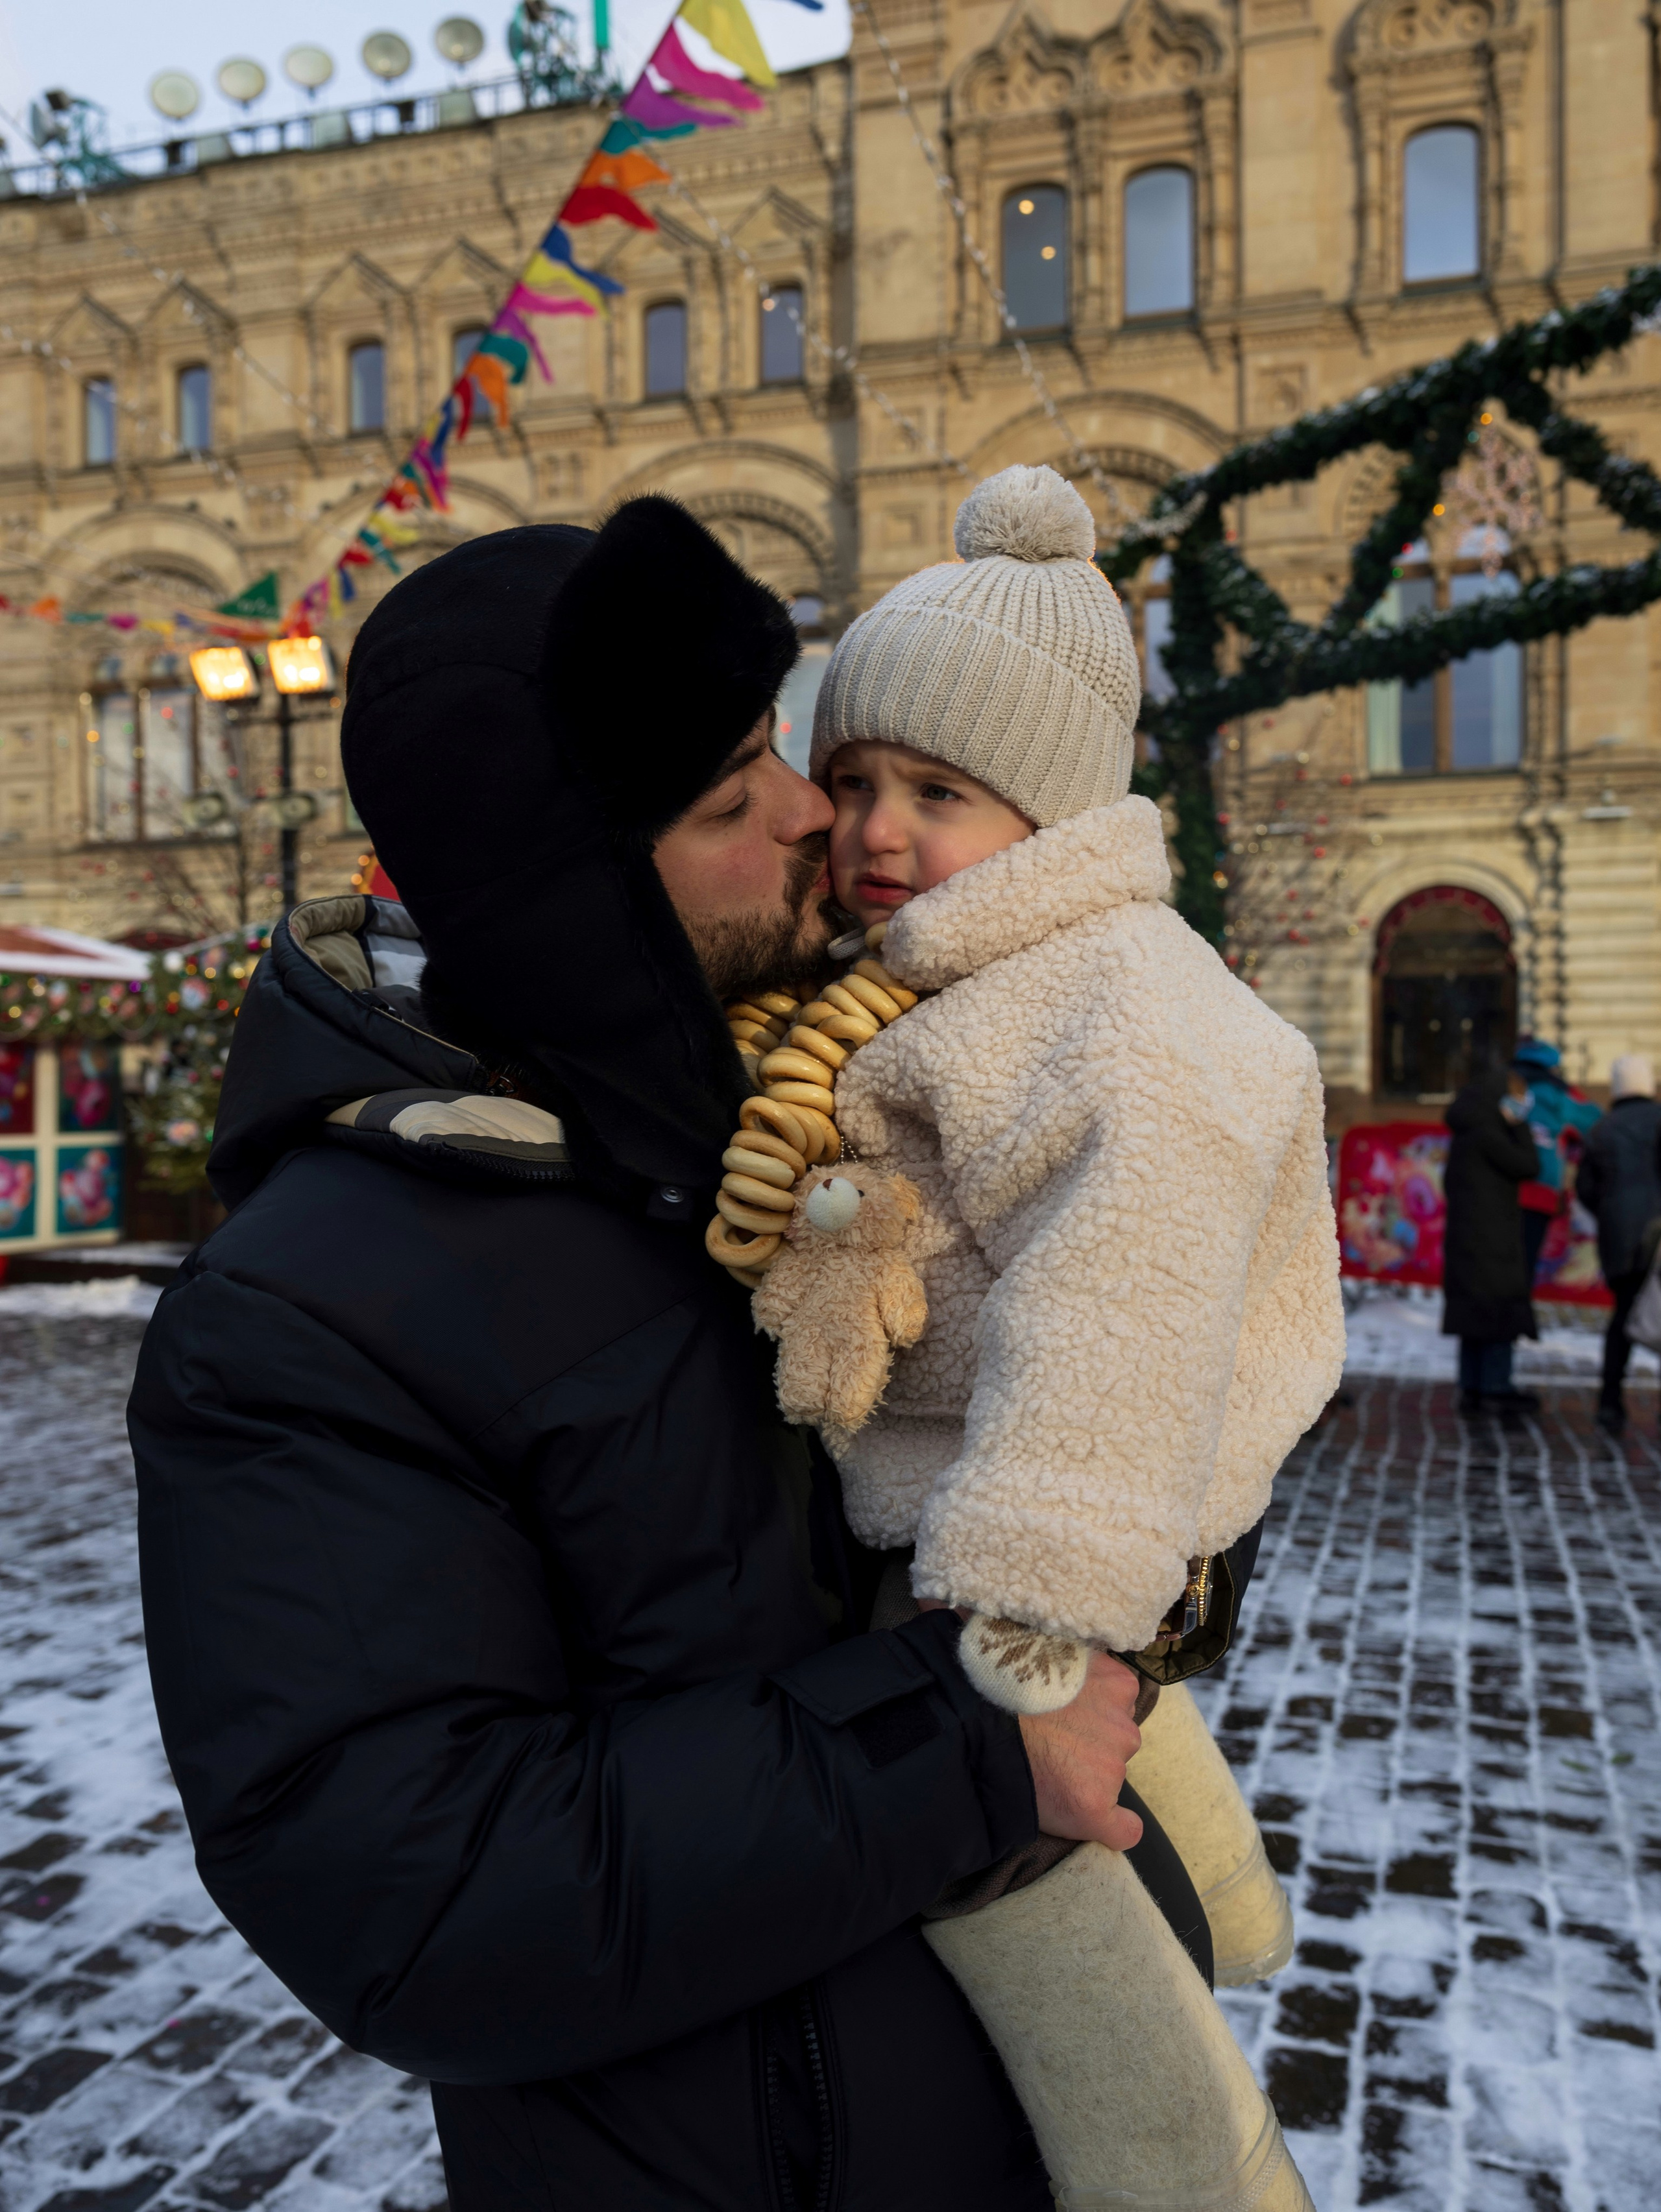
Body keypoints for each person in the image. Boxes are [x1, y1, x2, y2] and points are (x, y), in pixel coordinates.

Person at [128, 500, 1165, 2212]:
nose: (811, 808)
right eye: (721, 798)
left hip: (1006, 2126)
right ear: (572, 911)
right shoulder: (309, 1317)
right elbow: (412, 1891)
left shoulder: (806, 1123)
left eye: (772, 742)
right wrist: (967, 1749)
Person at [729, 466, 1342, 2209]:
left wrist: (1025, 1610)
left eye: (938, 787)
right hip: (1006, 1487)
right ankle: (1226, 1891)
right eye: (850, 781)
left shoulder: (1113, 1002)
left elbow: (1121, 1298)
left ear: (1056, 806)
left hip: (1044, 1516)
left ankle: (1190, 2168)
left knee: (1007, 1870)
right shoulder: (969, 978)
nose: (873, 826)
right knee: (1123, 1740)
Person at [1442, 1064, 1541, 1414]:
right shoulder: (1490, 1134)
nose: (1521, 1106)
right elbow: (1528, 1165)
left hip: (1470, 1239)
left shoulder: (1468, 1131)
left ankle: (1472, 1385)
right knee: (1499, 1312)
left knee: (1474, 1314)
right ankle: (1496, 1385)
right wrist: (1522, 1127)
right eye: (1517, 1100)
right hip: (1492, 1241)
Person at [1576, 1053, 1661, 1436]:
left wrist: (1611, 1215)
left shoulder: (1601, 1129)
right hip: (1658, 1238)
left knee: (1623, 1320)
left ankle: (1610, 1402)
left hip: (1618, 1240)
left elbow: (1585, 1189)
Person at [1511, 1037, 1601, 1288]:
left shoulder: (1504, 1089)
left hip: (1499, 1190)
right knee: (1525, 1266)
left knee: (1502, 1265)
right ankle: (1515, 1320)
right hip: (1540, 1190)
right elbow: (1594, 1121)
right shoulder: (1557, 1095)